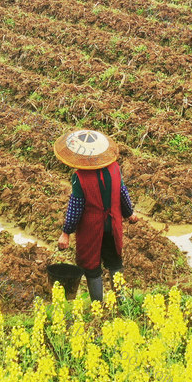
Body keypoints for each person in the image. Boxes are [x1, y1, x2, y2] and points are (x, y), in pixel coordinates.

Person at [55, 129, 138, 302]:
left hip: (91, 229)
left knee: (92, 267)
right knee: (115, 262)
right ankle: (121, 300)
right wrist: (129, 213)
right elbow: (123, 193)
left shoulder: (80, 177)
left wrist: (66, 233)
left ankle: (97, 307)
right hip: (113, 224)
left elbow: (76, 207)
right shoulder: (115, 168)